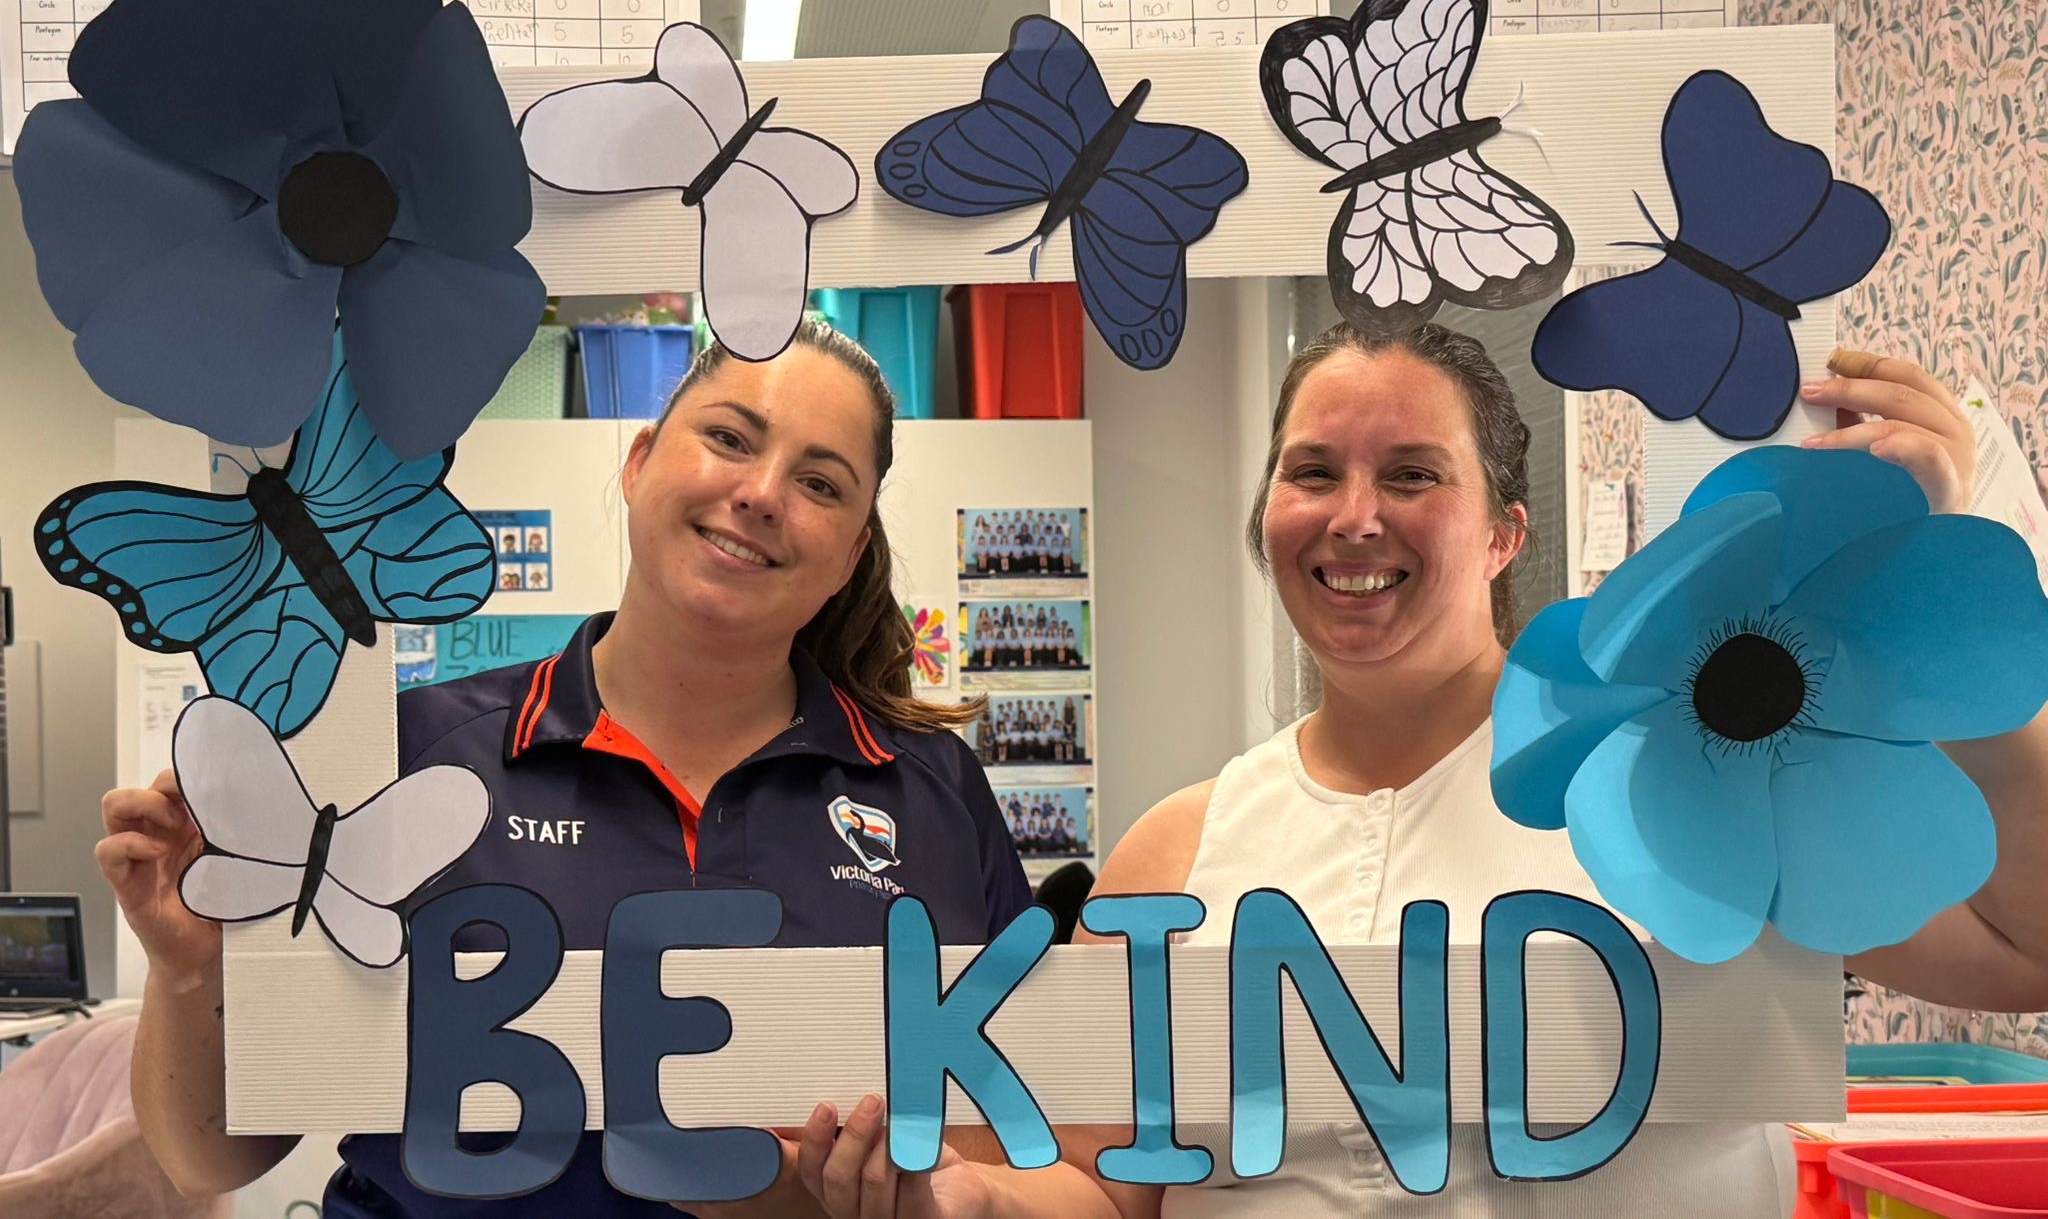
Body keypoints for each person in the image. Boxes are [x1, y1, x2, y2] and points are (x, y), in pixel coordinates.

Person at [96, 322, 1117, 1218]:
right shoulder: (412, 759)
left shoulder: (930, 790)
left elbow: (1007, 1148)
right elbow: (208, 1158)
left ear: (850, 552)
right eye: (730, 438)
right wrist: (191, 971)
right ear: (638, 463)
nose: (761, 494)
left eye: (820, 483)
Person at [1046, 325, 2048, 1217]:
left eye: (1410, 475)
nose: (1353, 516)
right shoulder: (1173, 854)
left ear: (1503, 535)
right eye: (1311, 472)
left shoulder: (1707, 774)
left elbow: (2026, 950)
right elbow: (1101, 1186)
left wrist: (1929, 595)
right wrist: (974, 1197)